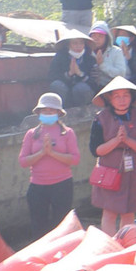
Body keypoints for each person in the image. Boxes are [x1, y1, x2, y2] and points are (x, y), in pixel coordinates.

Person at [90, 77, 136, 235]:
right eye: (117, 96)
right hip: (110, 170)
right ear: (109, 98)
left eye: (125, 95)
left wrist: (128, 141)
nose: (122, 100)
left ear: (132, 97)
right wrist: (116, 141)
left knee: (129, 211)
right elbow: (96, 150)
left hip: (134, 170)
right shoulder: (100, 118)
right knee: (109, 212)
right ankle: (108, 245)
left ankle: (126, 242)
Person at [18, 92, 81, 239]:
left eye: (51, 111)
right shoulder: (31, 134)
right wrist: (42, 153)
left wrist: (52, 153)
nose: (48, 113)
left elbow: (75, 159)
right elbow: (23, 161)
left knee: (62, 225)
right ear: (39, 112)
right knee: (38, 226)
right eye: (44, 110)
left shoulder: (67, 133)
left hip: (62, 185)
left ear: (58, 113)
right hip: (37, 186)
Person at [48, 31, 99, 107]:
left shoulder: (90, 59)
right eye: (75, 43)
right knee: (57, 85)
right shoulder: (59, 57)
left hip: (82, 95)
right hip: (65, 92)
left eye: (81, 43)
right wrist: (69, 74)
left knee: (82, 88)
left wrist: (80, 74)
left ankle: (82, 112)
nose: (78, 46)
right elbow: (52, 76)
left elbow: (94, 82)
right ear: (68, 45)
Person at [112, 24, 136, 91]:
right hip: (116, 78)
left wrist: (128, 56)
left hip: (131, 79)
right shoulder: (113, 50)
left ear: (131, 38)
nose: (120, 38)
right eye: (119, 35)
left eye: (123, 35)